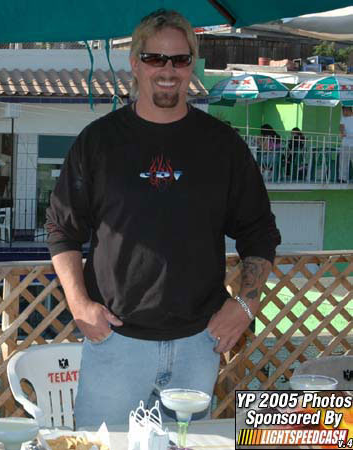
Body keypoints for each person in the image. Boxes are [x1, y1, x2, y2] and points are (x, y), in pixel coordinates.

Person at [45, 9, 280, 428]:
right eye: (155, 59)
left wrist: (246, 303)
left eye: (180, 59)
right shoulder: (98, 142)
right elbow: (62, 229)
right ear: (135, 63)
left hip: (197, 345)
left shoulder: (222, 145)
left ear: (193, 64)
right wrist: (80, 304)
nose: (168, 71)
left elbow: (259, 231)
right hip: (115, 343)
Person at [339, 106, 353, 183]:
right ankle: (342, 178)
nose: (343, 113)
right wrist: (342, 132)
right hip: (345, 143)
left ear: (348, 110)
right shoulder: (343, 118)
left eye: (344, 111)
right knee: (343, 161)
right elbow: (341, 126)